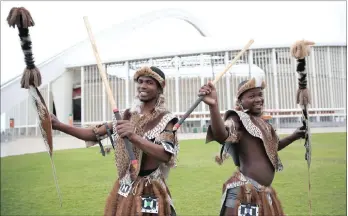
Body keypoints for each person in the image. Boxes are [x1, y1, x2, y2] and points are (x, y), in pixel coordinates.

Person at [51, 66, 179, 216]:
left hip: (150, 187)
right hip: (125, 186)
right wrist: (58, 125)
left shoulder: (166, 119)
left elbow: (165, 155)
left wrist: (133, 137)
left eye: (149, 82)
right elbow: (94, 134)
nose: (143, 86)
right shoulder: (126, 115)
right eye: (140, 81)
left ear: (160, 87)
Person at [199, 75, 306, 216]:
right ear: (240, 101)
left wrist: (295, 135)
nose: (258, 99)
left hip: (263, 191)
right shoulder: (238, 119)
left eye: (260, 95)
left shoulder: (264, 123)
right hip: (245, 190)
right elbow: (221, 134)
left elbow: (273, 148)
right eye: (251, 96)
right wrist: (214, 106)